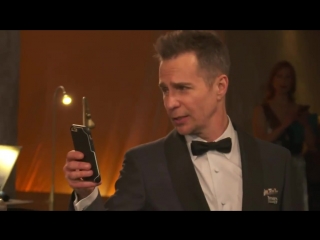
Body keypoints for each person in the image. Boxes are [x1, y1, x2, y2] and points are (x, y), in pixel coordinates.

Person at [63, 30, 303, 211]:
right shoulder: (145, 165)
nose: (170, 103)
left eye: (182, 88)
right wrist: (86, 195)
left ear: (220, 86)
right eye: (165, 90)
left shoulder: (276, 161)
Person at [252, 60, 320, 210]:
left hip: (295, 167)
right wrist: (284, 125)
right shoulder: (263, 109)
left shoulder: (299, 109)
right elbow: (260, 141)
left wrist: (305, 124)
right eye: (279, 76)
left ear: (293, 81)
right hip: (272, 166)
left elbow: (312, 145)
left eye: (288, 77)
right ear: (273, 80)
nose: (283, 81)